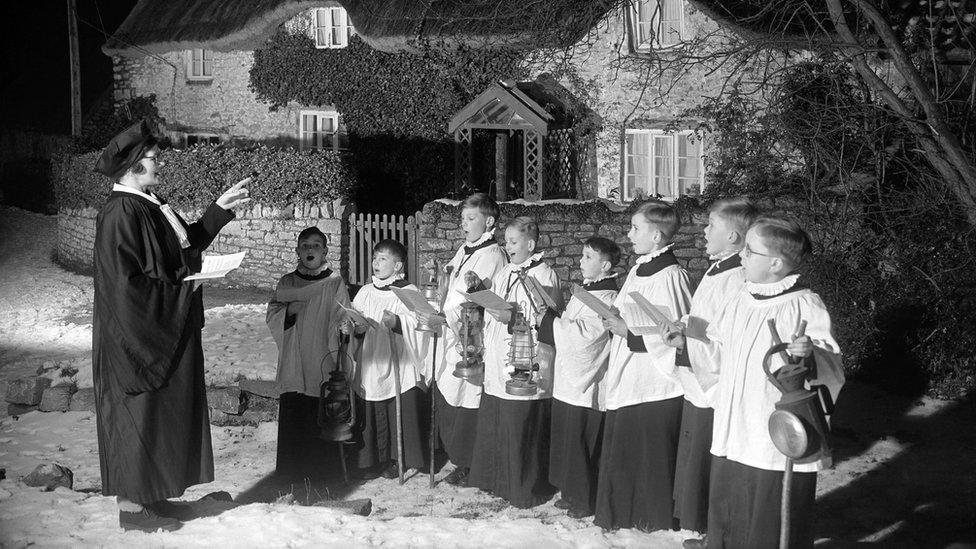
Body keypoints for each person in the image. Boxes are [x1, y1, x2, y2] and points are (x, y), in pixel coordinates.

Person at [91, 120, 251, 532]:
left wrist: (220, 208)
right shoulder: (120, 213)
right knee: (139, 413)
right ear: (131, 166)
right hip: (137, 336)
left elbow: (185, 247)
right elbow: (125, 287)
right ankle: (132, 507)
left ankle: (154, 498)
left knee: (161, 414)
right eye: (151, 158)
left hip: (164, 328)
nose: (158, 162)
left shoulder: (150, 204)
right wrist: (185, 289)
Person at [671, 215, 844, 549]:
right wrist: (685, 344)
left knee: (766, 502)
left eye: (750, 251)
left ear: (776, 263)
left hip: (772, 427)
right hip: (736, 418)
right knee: (729, 493)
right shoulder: (740, 298)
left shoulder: (803, 305)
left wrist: (808, 355)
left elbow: (831, 366)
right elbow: (715, 343)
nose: (743, 257)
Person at [597, 201, 692, 532]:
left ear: (656, 235)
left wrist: (631, 335)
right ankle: (622, 514)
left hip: (655, 381)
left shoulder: (672, 276)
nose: (628, 234)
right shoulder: (638, 269)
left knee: (650, 453)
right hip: (628, 370)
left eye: (635, 228)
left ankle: (653, 519)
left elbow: (677, 336)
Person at [669, 198, 758, 544]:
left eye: (710, 225)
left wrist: (686, 342)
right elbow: (704, 320)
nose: (703, 231)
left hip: (715, 385)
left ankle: (716, 534)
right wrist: (683, 328)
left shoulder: (736, 277)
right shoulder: (717, 268)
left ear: (734, 236)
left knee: (714, 463)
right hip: (699, 378)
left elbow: (724, 338)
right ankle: (709, 532)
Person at [468, 216, 562, 508]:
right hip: (499, 355)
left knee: (521, 422)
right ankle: (498, 482)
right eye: (506, 241)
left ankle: (524, 487)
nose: (507, 247)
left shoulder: (545, 275)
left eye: (513, 242)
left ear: (531, 244)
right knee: (498, 416)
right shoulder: (507, 271)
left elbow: (548, 321)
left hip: (527, 356)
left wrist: (513, 318)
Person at [417, 193, 507, 486]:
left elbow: (475, 297)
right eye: (462, 219)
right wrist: (439, 272)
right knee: (450, 389)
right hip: (452, 332)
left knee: (469, 395)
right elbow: (452, 282)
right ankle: (453, 451)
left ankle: (470, 462)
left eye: (470, 219)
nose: (463, 224)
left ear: (489, 221)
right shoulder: (468, 249)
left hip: (471, 335)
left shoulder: (491, 255)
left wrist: (447, 318)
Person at [536, 236, 620, 519]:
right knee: (567, 439)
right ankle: (570, 492)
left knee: (582, 441)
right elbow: (571, 326)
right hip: (567, 382)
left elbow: (585, 339)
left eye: (588, 257)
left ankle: (584, 499)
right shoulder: (587, 291)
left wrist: (550, 323)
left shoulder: (606, 299)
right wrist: (553, 316)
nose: (580, 261)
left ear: (606, 266)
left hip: (587, 385)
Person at [266, 226, 350, 481]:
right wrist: (288, 311)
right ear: (297, 251)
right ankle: (291, 471)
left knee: (319, 408)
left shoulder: (334, 282)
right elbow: (272, 314)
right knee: (295, 406)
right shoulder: (287, 282)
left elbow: (343, 313)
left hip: (321, 356)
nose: (310, 250)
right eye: (305, 246)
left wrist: (344, 326)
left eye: (315, 245)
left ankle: (321, 472)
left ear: (325, 251)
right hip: (294, 355)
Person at [342, 239, 429, 479]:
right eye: (374, 257)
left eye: (383, 259)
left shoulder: (408, 291)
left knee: (395, 405)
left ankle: (397, 458)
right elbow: (357, 321)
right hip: (372, 358)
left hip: (398, 359)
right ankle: (370, 458)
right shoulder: (366, 291)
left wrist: (399, 322)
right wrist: (352, 327)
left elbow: (422, 322)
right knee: (371, 403)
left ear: (398, 265)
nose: (375, 263)